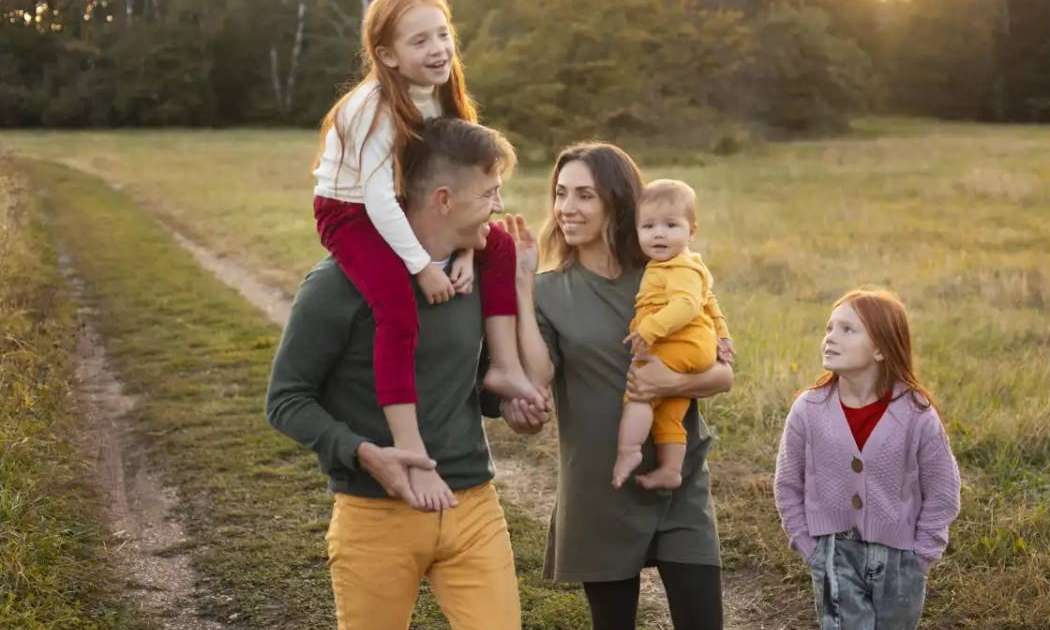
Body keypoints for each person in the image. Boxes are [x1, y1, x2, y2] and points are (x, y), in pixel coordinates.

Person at [268, 118, 528, 630]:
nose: (499, 206)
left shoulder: (472, 272)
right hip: (374, 514)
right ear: (444, 199)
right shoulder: (337, 286)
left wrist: (507, 402)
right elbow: (286, 400)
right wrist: (363, 453)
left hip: (473, 505)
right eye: (489, 194)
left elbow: (470, 380)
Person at [310, 0, 541, 510]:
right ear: (387, 56)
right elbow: (374, 200)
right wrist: (420, 266)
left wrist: (465, 246)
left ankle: (501, 367)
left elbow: (456, 176)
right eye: (420, 41)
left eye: (442, 35)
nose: (438, 49)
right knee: (397, 308)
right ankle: (409, 444)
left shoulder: (440, 92)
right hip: (349, 214)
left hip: (396, 203)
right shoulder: (370, 107)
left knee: (498, 242)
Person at [500, 143, 734, 630]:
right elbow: (539, 376)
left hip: (678, 478)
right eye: (561, 194)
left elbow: (723, 375)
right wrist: (523, 289)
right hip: (599, 486)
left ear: (617, 201)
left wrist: (673, 380)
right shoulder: (549, 290)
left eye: (584, 195)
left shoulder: (665, 275)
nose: (567, 208)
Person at [773, 288, 962, 630]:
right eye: (829, 328)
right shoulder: (809, 410)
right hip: (833, 553)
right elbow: (787, 484)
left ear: (880, 349)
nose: (830, 338)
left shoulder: (917, 414)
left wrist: (921, 555)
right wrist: (809, 548)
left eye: (847, 330)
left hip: (901, 559)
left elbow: (943, 490)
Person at [612, 179, 734, 490]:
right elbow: (710, 302)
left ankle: (628, 451)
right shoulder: (691, 265)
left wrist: (650, 329)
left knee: (641, 391)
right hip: (696, 348)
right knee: (669, 414)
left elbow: (688, 304)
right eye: (648, 226)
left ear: (692, 231)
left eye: (671, 225)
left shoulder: (678, 268)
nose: (659, 233)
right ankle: (670, 469)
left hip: (680, 343)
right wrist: (723, 335)